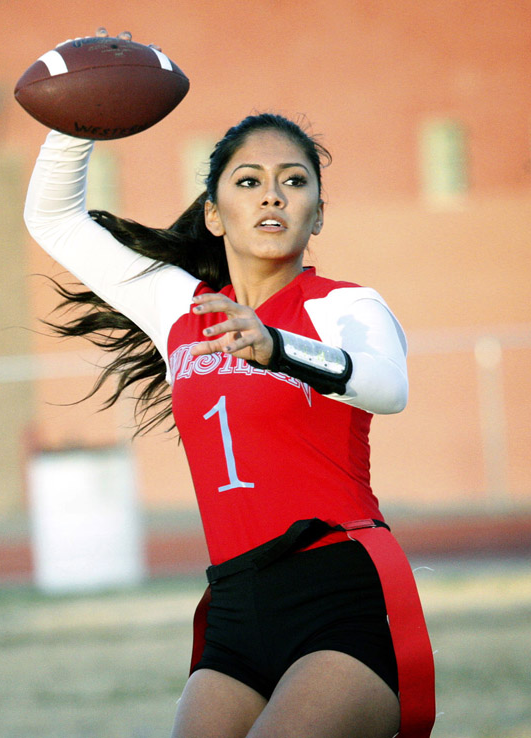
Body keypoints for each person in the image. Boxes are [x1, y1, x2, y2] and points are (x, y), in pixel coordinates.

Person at [24, 100, 435, 737]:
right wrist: (75, 116)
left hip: (337, 595)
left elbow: (387, 385)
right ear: (214, 213)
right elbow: (53, 219)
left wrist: (276, 346)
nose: (272, 196)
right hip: (236, 607)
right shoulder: (176, 305)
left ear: (318, 212)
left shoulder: (344, 305)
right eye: (249, 182)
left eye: (294, 182)